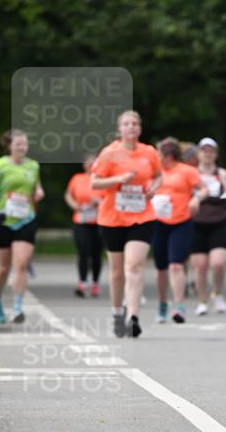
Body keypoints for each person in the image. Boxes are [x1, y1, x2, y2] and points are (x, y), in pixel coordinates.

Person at [91, 110, 161, 338]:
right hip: (112, 217)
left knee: (134, 265)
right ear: (119, 129)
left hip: (142, 215)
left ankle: (133, 317)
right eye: (126, 124)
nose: (131, 127)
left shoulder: (149, 152)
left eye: (135, 124)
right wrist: (118, 180)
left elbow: (159, 175)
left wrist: (154, 186)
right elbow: (95, 183)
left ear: (140, 128)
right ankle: (116, 313)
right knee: (117, 272)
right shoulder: (109, 153)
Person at [0, 129, 45, 324]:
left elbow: (37, 187)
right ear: (9, 146)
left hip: (25, 219)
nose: (22, 147)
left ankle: (18, 305)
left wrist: (39, 193)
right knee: (4, 266)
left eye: (25, 144)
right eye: (18, 144)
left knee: (22, 263)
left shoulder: (33, 166)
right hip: (3, 220)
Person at [152, 137, 204, 323]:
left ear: (168, 154)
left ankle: (179, 305)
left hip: (181, 221)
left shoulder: (186, 171)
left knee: (176, 264)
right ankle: (162, 303)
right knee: (161, 268)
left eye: (159, 153)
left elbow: (204, 189)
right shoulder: (155, 172)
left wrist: (196, 199)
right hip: (158, 221)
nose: (156, 156)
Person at [191, 137, 226, 315]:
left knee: (219, 263)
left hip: (219, 223)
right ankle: (202, 300)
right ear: (198, 153)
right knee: (200, 265)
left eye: (211, 151)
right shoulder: (192, 173)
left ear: (215, 154)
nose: (207, 154)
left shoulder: (222, 174)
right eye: (204, 150)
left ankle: (217, 293)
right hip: (197, 223)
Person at [64, 153, 103, 297]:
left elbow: (109, 198)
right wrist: (75, 205)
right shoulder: (77, 178)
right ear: (83, 165)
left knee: (96, 254)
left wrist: (99, 202)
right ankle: (82, 282)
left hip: (98, 220)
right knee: (83, 251)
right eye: (87, 162)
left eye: (93, 163)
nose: (90, 165)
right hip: (81, 219)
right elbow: (68, 195)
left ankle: (95, 283)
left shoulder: (102, 179)